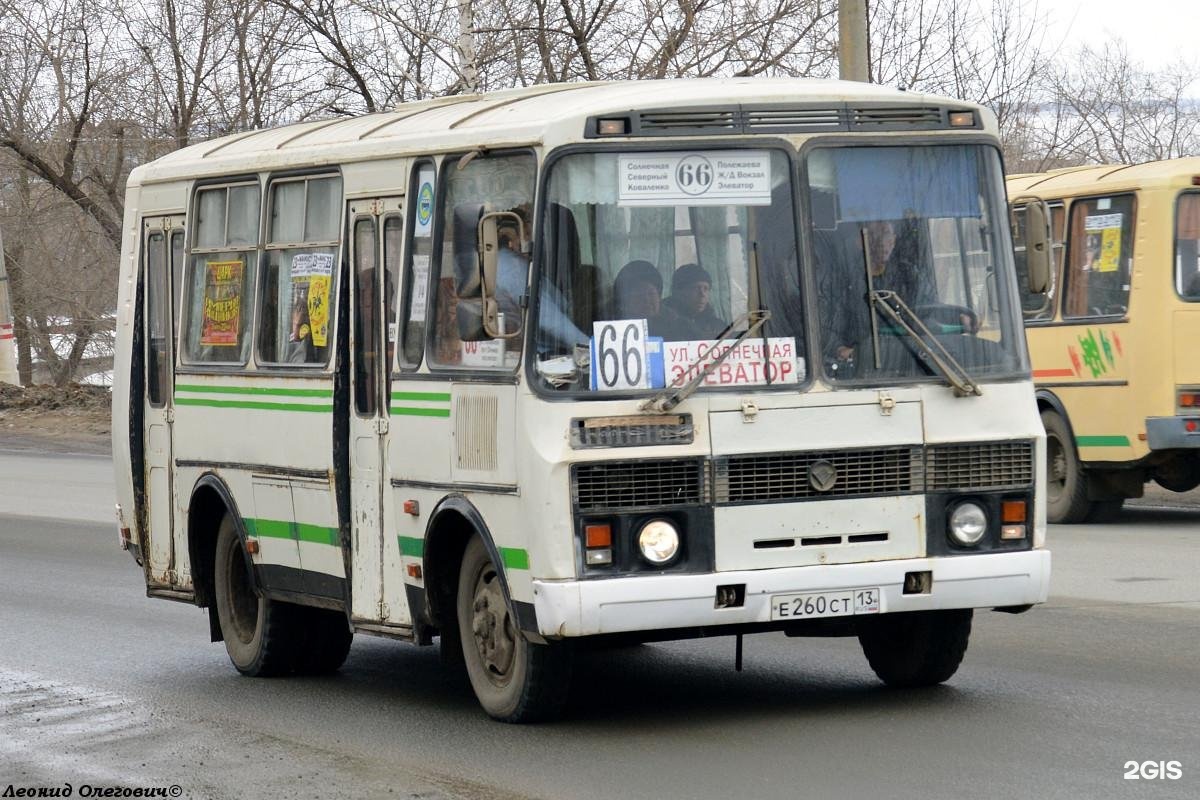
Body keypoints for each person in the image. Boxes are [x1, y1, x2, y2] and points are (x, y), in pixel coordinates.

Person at [611, 260, 690, 340]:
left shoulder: (677, 324)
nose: (647, 300)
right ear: (625, 301)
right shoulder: (614, 325)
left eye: (651, 294)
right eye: (639, 295)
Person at [663, 263, 727, 340]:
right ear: (679, 292)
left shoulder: (715, 325)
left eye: (706, 289)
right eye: (696, 288)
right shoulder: (664, 322)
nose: (702, 294)